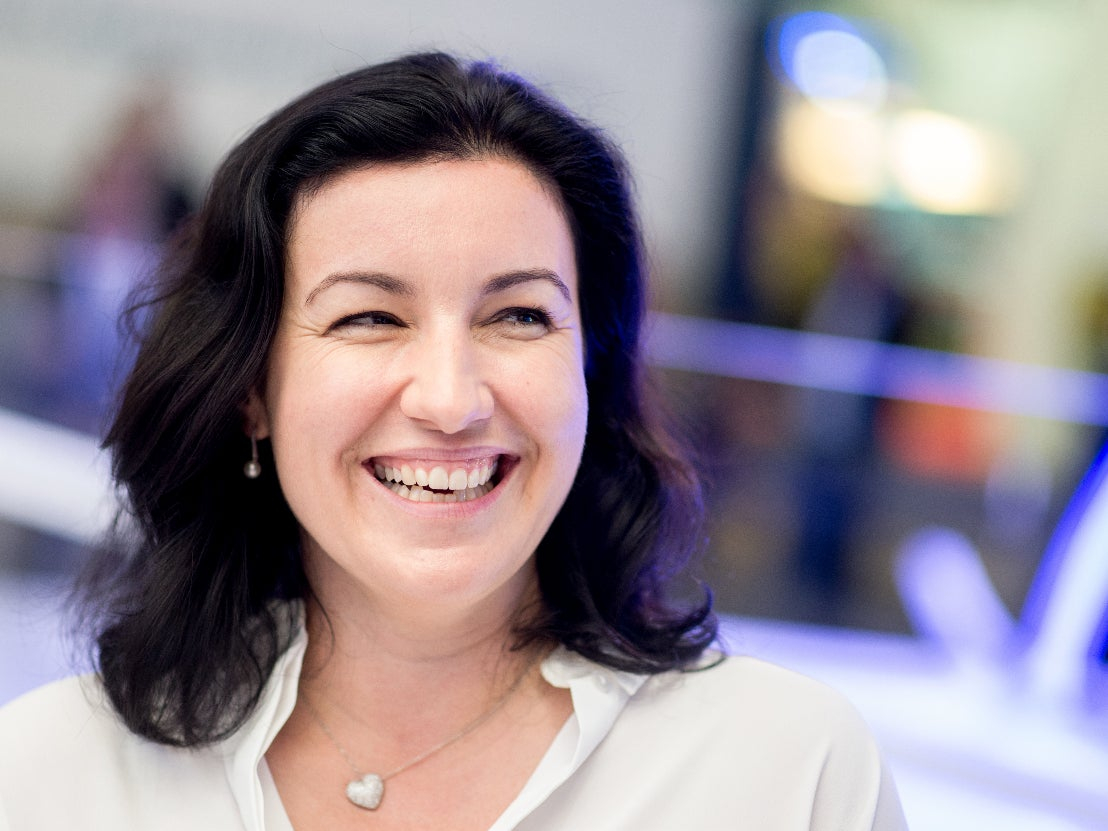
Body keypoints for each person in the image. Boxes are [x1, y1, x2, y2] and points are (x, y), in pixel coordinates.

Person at [0, 52, 906, 830]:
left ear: (589, 372)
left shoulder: (787, 772)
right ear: (250, 393)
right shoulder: (52, 776)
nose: (450, 399)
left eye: (518, 315)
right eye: (368, 317)